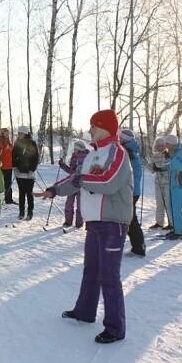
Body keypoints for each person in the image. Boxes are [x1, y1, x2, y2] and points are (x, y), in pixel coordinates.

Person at [35, 109, 133, 344]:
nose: (90, 130)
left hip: (113, 222)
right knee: (91, 270)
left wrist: (82, 180)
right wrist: (54, 190)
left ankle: (115, 327)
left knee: (109, 275)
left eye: (94, 126)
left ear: (106, 128)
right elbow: (76, 179)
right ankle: (85, 311)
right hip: (94, 221)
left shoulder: (117, 152)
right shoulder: (92, 154)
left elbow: (109, 183)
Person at [119, 129, 146, 256]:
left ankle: (139, 247)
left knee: (130, 218)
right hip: (132, 189)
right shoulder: (131, 149)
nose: (119, 139)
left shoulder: (127, 152)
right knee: (128, 217)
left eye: (120, 138)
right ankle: (137, 245)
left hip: (129, 189)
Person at [58, 140, 89, 228]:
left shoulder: (86, 157)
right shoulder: (74, 157)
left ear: (79, 149)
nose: (74, 150)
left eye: (75, 148)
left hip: (81, 184)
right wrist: (62, 165)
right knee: (69, 203)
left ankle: (79, 223)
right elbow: (71, 171)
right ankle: (68, 221)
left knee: (80, 205)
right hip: (72, 183)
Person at [164, 134, 182, 240]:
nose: (166, 146)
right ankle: (175, 229)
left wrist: (171, 157)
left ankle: (179, 231)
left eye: (167, 144)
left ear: (172, 144)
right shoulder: (175, 152)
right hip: (174, 184)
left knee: (177, 208)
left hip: (180, 184)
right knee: (173, 208)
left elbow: (181, 166)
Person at [12, 126, 39, 220]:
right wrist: (14, 167)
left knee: (29, 193)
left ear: (25, 133)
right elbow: (14, 156)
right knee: (21, 193)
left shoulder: (32, 143)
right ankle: (21, 212)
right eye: (18, 133)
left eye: (20, 133)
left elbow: (36, 158)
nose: (19, 135)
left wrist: (32, 170)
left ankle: (30, 212)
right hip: (19, 172)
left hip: (29, 173)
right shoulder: (17, 143)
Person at [147, 136, 172, 230]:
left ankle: (171, 223)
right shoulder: (154, 155)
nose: (160, 147)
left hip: (167, 182)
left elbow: (170, 167)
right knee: (159, 203)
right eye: (158, 145)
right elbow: (151, 170)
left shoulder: (168, 155)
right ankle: (159, 222)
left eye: (162, 145)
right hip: (158, 182)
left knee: (168, 203)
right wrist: (149, 165)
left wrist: (162, 168)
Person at [0, 128, 16, 204]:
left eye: (8, 133)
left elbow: (12, 150)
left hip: (9, 166)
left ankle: (8, 200)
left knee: (8, 184)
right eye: (5, 133)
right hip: (1, 166)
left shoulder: (9, 142)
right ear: (2, 133)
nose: (7, 134)